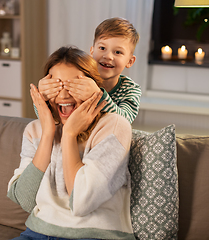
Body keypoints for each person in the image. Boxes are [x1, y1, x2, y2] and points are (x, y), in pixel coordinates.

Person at [8, 46, 135, 240]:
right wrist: (49, 133)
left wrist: (68, 135)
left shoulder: (114, 126)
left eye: (73, 86)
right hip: (36, 233)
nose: (64, 95)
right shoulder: (35, 131)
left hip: (95, 236)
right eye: (56, 86)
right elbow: (25, 199)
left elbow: (81, 202)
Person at [37, 17, 141, 124]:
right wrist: (42, 97)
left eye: (118, 52)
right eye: (102, 48)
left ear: (130, 61)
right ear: (92, 51)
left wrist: (98, 95)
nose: (108, 56)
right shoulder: (81, 76)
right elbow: (49, 115)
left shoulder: (130, 90)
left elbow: (124, 121)